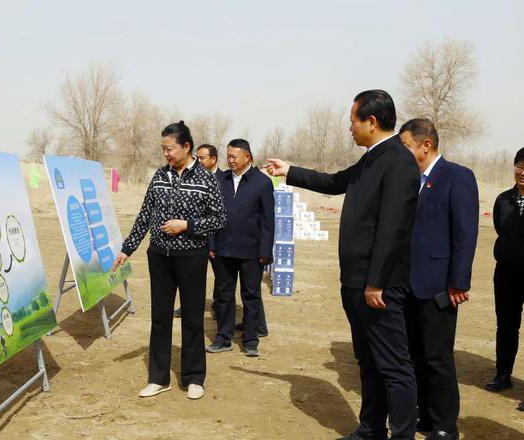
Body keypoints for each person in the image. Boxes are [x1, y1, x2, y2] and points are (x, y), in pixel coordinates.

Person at [267, 90, 420, 440]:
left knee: (394, 366)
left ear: (372, 121)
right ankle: (370, 429)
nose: (349, 127)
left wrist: (376, 281)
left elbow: (393, 227)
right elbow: (335, 181)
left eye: (353, 120)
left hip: (378, 286)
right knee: (368, 362)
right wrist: (289, 170)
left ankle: (402, 434)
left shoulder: (398, 161)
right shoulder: (371, 159)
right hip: (356, 281)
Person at [113, 121, 226, 400]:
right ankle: (158, 377)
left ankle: (194, 378)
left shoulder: (206, 179)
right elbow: (144, 215)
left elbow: (220, 219)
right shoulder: (160, 176)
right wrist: (128, 248)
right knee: (160, 318)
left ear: (186, 147)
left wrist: (186, 225)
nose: (166, 154)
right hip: (160, 257)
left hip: (192, 258)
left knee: (191, 317)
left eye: (170, 148)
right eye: (163, 149)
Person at [400, 119, 479, 440]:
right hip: (407, 282)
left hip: (439, 285)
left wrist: (459, 281)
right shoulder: (408, 180)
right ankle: (425, 414)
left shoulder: (457, 177)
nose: (401, 152)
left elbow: (465, 233)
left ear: (426, 145)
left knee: (438, 357)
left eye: (405, 146)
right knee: (414, 354)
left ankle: (446, 425)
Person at [205, 139, 275, 357]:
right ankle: (223, 337)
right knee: (225, 296)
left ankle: (251, 340)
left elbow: (268, 221)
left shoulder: (262, 183)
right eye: (228, 156)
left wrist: (265, 251)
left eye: (235, 156)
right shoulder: (221, 180)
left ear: (248, 157)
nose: (230, 160)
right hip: (223, 250)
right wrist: (212, 243)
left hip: (251, 252)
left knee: (251, 296)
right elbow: (212, 215)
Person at [485, 147, 524, 396]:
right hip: (507, 272)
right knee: (506, 325)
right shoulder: (503, 200)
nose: (523, 172)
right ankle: (503, 374)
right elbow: (500, 228)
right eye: (520, 166)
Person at [174, 143, 223, 320]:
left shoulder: (224, 179)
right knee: (190, 279)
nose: (198, 161)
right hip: (194, 240)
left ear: (213, 159)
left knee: (221, 277)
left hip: (217, 240)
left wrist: (214, 243)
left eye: (202, 158)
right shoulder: (191, 176)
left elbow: (219, 216)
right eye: (197, 157)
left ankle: (218, 306)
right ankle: (186, 307)